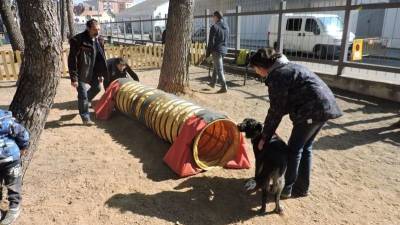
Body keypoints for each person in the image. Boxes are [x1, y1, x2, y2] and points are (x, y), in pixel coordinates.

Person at [248, 48, 343, 198]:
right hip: (325, 106)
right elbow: (284, 104)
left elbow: (276, 110)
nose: (255, 72)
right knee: (305, 147)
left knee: (294, 150)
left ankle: (286, 188)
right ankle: (301, 188)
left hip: (312, 110)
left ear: (261, 66)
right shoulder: (288, 67)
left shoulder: (278, 76)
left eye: (254, 68)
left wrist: (265, 137)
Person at [68, 19, 107, 125]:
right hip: (80, 72)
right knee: (83, 95)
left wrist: (100, 74)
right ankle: (85, 117)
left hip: (93, 71)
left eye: (99, 29)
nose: (97, 32)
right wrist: (73, 78)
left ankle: (83, 103)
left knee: (97, 88)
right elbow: (72, 60)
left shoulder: (99, 40)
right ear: (88, 28)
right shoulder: (78, 40)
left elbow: (100, 58)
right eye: (95, 30)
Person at [0, 109, 29, 225]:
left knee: (13, 185)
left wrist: (23, 147)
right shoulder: (8, 120)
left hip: (11, 160)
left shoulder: (8, 121)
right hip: (11, 158)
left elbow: (22, 132)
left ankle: (14, 208)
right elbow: (23, 133)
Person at [206, 11, 229, 93]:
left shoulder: (214, 27)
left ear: (216, 17)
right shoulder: (226, 26)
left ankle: (224, 86)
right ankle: (212, 83)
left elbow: (211, 42)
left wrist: (208, 53)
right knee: (216, 67)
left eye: (213, 16)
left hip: (216, 50)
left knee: (219, 69)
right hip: (224, 50)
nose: (212, 18)